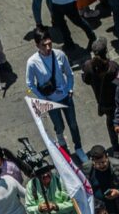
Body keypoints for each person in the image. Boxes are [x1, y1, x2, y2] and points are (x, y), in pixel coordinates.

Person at [26, 27, 86, 161]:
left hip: (65, 97)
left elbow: (69, 74)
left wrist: (70, 89)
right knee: (59, 126)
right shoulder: (32, 63)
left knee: (73, 125)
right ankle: (62, 144)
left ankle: (79, 148)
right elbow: (30, 84)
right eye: (44, 45)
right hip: (50, 101)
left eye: (49, 44)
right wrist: (43, 98)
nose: (48, 48)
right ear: (37, 45)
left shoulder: (60, 54)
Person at [87, 145, 119, 214]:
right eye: (98, 163)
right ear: (92, 161)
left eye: (103, 162)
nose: (101, 166)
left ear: (107, 156)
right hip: (100, 211)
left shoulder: (118, 165)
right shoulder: (87, 169)